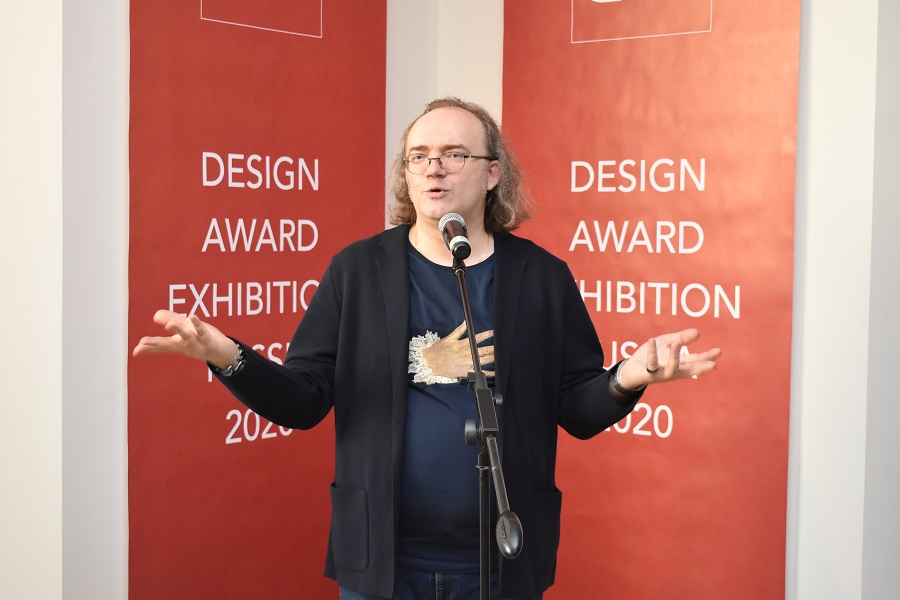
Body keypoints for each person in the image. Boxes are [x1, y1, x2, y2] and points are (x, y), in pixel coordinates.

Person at [133, 97, 721, 600]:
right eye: (419, 156)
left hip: (502, 560)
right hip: (384, 565)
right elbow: (303, 400)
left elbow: (576, 407)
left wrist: (628, 377)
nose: (434, 167)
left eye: (454, 154)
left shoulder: (542, 277)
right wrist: (227, 356)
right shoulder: (358, 272)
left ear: (492, 174)